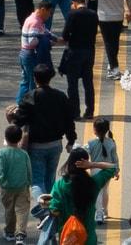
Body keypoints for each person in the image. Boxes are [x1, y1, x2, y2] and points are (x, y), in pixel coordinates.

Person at [15, 62, 77, 195]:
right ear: (50, 78)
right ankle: (51, 209)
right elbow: (68, 120)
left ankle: (44, 211)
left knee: (37, 181)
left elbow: (19, 120)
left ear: (35, 78)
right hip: (55, 144)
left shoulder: (30, 97)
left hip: (36, 146)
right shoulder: (60, 96)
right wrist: (71, 140)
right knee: (50, 179)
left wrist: (12, 116)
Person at [48, 146, 118, 245]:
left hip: (68, 237)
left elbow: (54, 209)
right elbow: (112, 167)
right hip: (88, 237)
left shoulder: (60, 185)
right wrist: (92, 164)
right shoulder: (94, 183)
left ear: (69, 162)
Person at [0, 123, 34, 245]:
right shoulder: (23, 153)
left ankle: (9, 232)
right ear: (20, 139)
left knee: (9, 210)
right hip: (22, 186)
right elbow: (29, 169)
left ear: (5, 138)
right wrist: (29, 182)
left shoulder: (1, 153)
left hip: (7, 187)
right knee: (22, 210)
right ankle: (20, 234)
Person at [62, 0, 99, 119]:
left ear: (75, 3)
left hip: (75, 51)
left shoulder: (72, 15)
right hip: (89, 51)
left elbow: (65, 34)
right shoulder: (93, 14)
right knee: (88, 82)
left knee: (72, 83)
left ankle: (75, 112)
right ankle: (90, 111)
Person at [17, 1, 55, 103]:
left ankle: (20, 104)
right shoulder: (35, 22)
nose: (50, 15)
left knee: (25, 81)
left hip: (24, 53)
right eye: (49, 12)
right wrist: (45, 40)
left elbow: (45, 31)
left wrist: (54, 38)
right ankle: (29, 105)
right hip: (29, 54)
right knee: (33, 83)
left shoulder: (34, 19)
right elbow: (32, 41)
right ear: (43, 10)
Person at [87, 117, 120, 224]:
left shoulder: (91, 143)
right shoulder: (111, 142)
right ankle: (105, 211)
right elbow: (115, 158)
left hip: (95, 169)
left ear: (95, 130)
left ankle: (99, 212)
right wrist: (116, 170)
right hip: (108, 170)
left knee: (98, 191)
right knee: (105, 190)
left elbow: (84, 151)